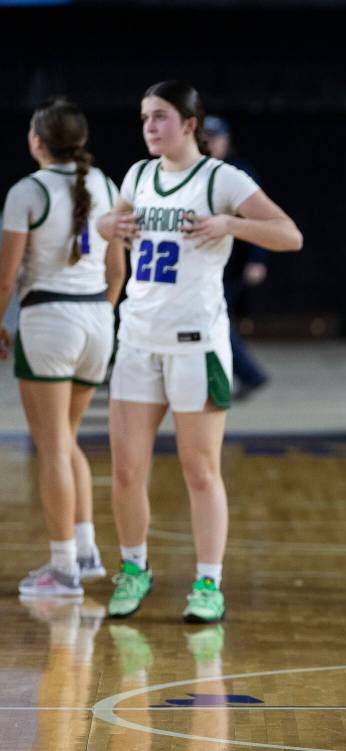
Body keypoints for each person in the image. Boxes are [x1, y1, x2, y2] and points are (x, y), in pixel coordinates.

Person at [96, 80, 302, 623]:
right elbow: (107, 226)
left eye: (160, 116)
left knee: (200, 471)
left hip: (196, 345)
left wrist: (230, 224)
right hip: (137, 340)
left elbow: (289, 235)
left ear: (190, 124)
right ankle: (134, 568)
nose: (149, 127)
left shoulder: (220, 178)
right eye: (144, 117)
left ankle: (208, 581)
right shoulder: (138, 175)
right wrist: (105, 225)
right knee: (124, 470)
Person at [0, 98, 125, 598]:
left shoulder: (26, 191)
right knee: (67, 438)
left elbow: (6, 275)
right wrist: (104, 315)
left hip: (50, 319)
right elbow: (118, 270)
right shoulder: (108, 185)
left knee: (51, 445)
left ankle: (63, 568)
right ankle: (86, 550)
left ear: (37, 141)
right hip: (98, 316)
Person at [205, 115, 270, 401]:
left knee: (215, 318)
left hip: (232, 263)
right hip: (206, 263)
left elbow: (265, 221)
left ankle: (249, 375)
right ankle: (247, 375)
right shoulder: (196, 172)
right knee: (214, 319)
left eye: (214, 138)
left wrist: (258, 258)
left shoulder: (237, 173)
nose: (209, 144)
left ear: (226, 141)